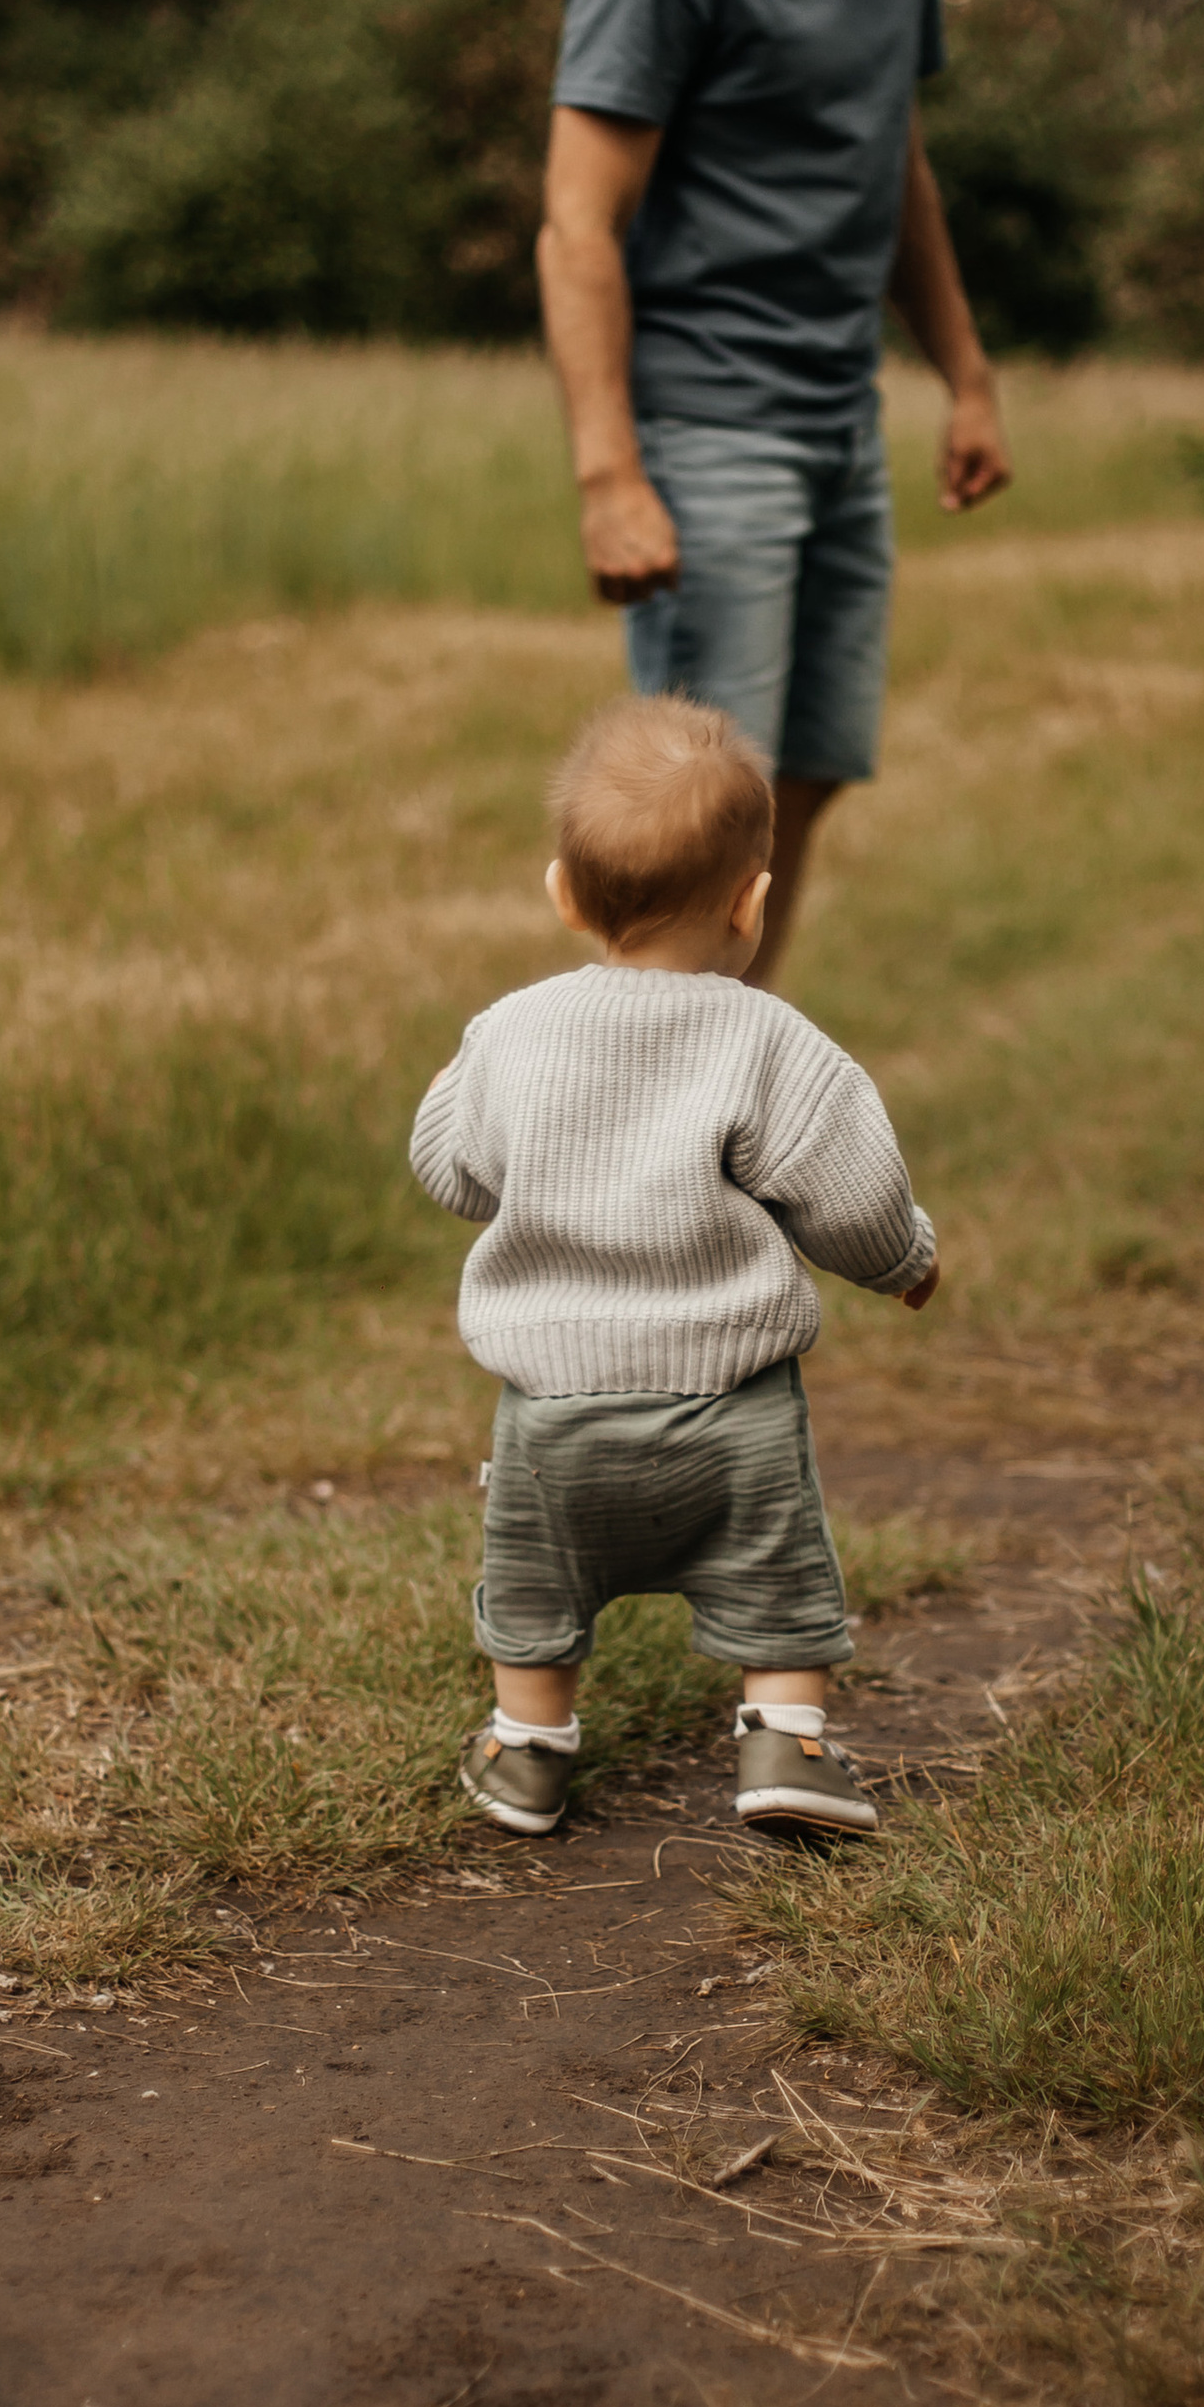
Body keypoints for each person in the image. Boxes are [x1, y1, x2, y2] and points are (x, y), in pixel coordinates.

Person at [536, 0, 1010, 989]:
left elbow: (893, 159)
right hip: (707, 433)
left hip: (838, 423)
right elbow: (578, 222)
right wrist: (608, 473)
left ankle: (728, 1085)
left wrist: (967, 376)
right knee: (690, 824)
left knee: (799, 784)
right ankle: (639, 1157)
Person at [409, 694, 938, 1840]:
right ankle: (786, 1742)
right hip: (730, 1416)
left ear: (562, 891)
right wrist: (904, 1257)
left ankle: (527, 1750)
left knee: (536, 1596)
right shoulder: (771, 1042)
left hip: (554, 1420)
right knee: (777, 1585)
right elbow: (851, 1198)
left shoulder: (509, 1032)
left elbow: (448, 1167)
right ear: (753, 902)